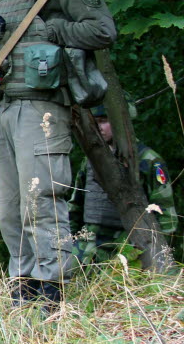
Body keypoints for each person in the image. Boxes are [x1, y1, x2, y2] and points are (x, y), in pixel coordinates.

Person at [0, 0, 117, 303]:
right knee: (10, 207)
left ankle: (52, 294)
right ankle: (23, 290)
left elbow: (102, 30)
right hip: (7, 104)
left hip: (41, 108)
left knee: (41, 199)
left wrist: (52, 31)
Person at [71, 102, 176, 263]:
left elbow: (167, 217)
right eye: (95, 121)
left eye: (104, 121)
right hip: (86, 249)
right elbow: (75, 207)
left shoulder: (148, 160)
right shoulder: (91, 160)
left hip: (127, 250)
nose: (99, 127)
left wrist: (157, 259)